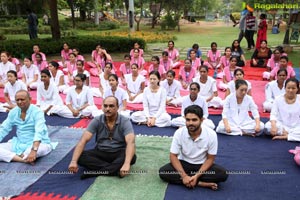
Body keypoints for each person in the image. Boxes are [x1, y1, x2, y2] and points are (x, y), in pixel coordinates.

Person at [159, 105, 228, 190]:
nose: (190, 123)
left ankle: (192, 179)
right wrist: (184, 176)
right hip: (184, 163)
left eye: (194, 120)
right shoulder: (179, 133)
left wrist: (197, 175)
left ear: (201, 120)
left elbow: (210, 159)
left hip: (201, 166)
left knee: (222, 174)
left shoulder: (211, 134)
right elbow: (173, 156)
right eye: (188, 120)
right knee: (163, 172)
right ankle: (199, 183)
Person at [68, 96, 136, 179]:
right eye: (105, 106)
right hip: (101, 152)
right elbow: (83, 141)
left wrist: (126, 164)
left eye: (111, 106)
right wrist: (73, 161)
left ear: (117, 107)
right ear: (102, 107)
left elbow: (130, 143)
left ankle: (95, 172)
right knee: (80, 157)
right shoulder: (97, 120)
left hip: (118, 152)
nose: (108, 109)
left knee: (132, 157)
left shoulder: (125, 121)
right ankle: (113, 170)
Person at [0, 90, 54, 163]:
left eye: (22, 99)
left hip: (39, 144)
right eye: (17, 100)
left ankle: (18, 156)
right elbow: (4, 129)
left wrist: (34, 150)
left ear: (30, 99)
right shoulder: (14, 112)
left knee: (30, 153)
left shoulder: (37, 112)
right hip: (18, 143)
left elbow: (39, 131)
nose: (19, 102)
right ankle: (22, 159)